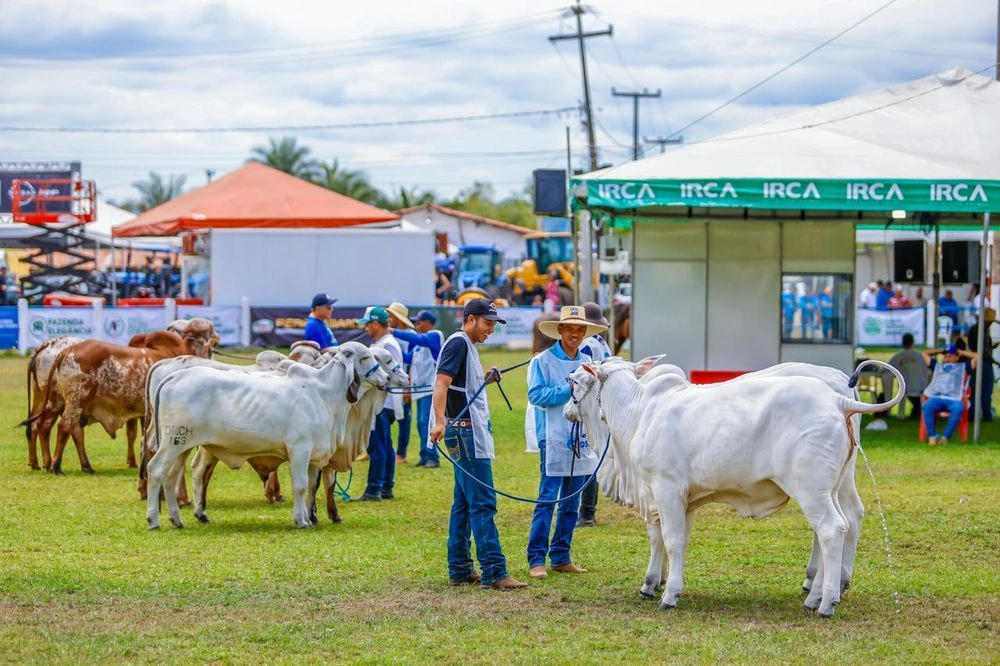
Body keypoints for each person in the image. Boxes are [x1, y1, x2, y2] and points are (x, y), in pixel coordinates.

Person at [429, 298, 528, 590]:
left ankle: (459, 568)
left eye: (494, 325)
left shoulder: (465, 346)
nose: (490, 330)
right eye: (487, 324)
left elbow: (460, 385)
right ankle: (495, 571)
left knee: (463, 503)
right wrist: (439, 421)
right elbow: (441, 384)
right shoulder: (459, 343)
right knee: (483, 501)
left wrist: (484, 380)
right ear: (470, 319)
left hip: (464, 431)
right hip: (464, 432)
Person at [526, 306, 605, 579]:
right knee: (548, 498)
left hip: (582, 437)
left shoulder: (588, 362)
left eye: (579, 329)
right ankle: (536, 558)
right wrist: (569, 388)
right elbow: (536, 395)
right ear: (560, 330)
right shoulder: (542, 361)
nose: (575, 334)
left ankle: (561, 555)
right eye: (570, 329)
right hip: (553, 435)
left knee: (571, 500)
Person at [352, 306, 405, 501]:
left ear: (375, 324)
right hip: (389, 402)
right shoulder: (386, 342)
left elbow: (391, 375)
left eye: (367, 325)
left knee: (377, 446)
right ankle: (386, 486)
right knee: (386, 445)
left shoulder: (386, 345)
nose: (366, 329)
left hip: (383, 402)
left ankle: (374, 488)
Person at [392, 309, 444, 468]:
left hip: (431, 389)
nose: (416, 324)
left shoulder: (434, 336)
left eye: (419, 321)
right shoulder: (420, 345)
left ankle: (432, 457)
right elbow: (407, 358)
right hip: (420, 390)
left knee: (426, 423)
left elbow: (416, 338)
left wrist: (393, 332)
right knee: (421, 423)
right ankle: (425, 454)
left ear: (429, 322)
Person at [577, 301, 611, 528]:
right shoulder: (603, 343)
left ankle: (586, 513)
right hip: (603, 403)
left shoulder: (587, 345)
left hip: (588, 402)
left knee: (587, 457)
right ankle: (589, 510)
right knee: (594, 456)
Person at [921, 344, 977, 445]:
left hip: (954, 399)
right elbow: (924, 354)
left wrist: (960, 351)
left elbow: (977, 357)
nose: (947, 358)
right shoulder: (937, 366)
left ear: (957, 356)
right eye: (945, 356)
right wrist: (941, 350)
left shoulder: (964, 367)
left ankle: (945, 437)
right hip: (937, 397)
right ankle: (932, 436)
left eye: (950, 356)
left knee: (958, 408)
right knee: (927, 406)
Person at [386, 302, 416, 465]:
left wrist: (408, 388)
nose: (389, 319)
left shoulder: (410, 335)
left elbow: (413, 361)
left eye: (392, 316)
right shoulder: (388, 335)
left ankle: (401, 453)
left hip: (404, 382)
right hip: (388, 382)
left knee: (404, 419)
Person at [965, 307, 997, 422]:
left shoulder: (974, 328)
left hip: (974, 362)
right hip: (984, 364)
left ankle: (972, 415)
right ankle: (986, 415)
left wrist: (991, 347)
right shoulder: (982, 330)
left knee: (974, 391)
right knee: (986, 391)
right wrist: (996, 362)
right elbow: (983, 352)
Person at [888, 333, 929, 419]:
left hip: (904, 389)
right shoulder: (920, 356)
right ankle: (918, 410)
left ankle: (906, 412)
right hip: (921, 388)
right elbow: (927, 372)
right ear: (913, 343)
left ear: (902, 343)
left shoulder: (897, 357)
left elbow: (887, 370)